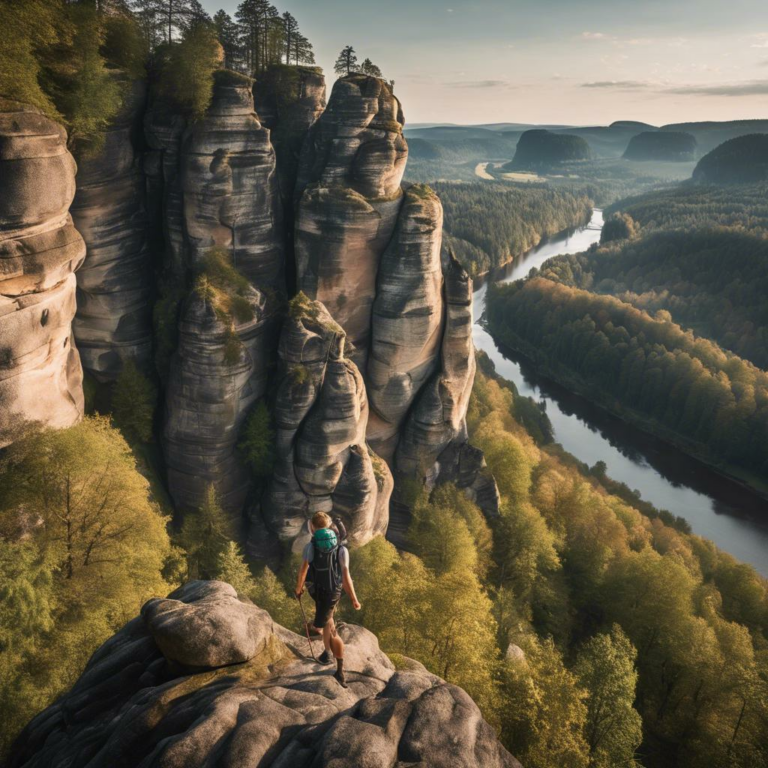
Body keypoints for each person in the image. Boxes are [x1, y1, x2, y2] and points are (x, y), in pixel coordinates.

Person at [295, 511, 361, 688]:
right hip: (333, 592)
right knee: (328, 621)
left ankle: (340, 672)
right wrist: (353, 598)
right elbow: (346, 575)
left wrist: (298, 588)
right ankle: (326, 653)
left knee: (328, 628)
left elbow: (303, 570)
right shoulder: (341, 549)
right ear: (330, 526)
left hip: (317, 591)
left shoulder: (311, 546)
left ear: (313, 527)